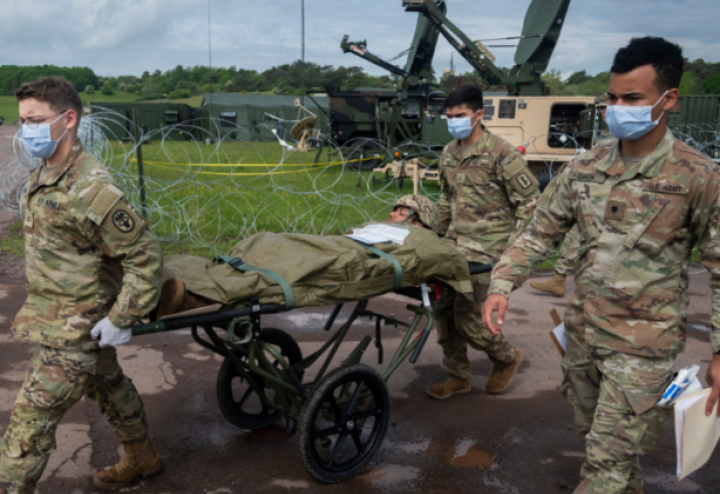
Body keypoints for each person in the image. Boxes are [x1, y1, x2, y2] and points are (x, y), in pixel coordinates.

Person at [482, 36, 720, 494]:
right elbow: (539, 230)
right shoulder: (586, 167)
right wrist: (502, 283)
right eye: (612, 98)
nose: (617, 108)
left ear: (668, 99)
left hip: (642, 353)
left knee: (603, 471)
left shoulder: (697, 177)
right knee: (602, 450)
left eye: (632, 99)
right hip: (583, 340)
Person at [0, 77, 164, 493]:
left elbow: (144, 254)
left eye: (34, 120)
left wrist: (123, 316)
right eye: (22, 121)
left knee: (29, 422)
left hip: (77, 329)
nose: (26, 130)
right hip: (55, 318)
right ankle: (142, 456)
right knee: (108, 386)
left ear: (68, 119)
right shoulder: (49, 168)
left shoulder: (91, 187)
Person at [427, 84, 540, 400]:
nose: (454, 122)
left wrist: (514, 252)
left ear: (478, 115)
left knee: (470, 320)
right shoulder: (449, 153)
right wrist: (437, 238)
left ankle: (506, 357)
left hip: (488, 253)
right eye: (449, 116)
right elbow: (447, 200)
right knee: (444, 314)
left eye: (460, 115)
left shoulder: (502, 153)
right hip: (453, 249)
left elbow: (531, 205)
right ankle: (457, 377)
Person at [158, 194, 442, 317]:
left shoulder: (421, 240)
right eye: (394, 209)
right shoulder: (379, 228)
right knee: (266, 242)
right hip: (333, 245)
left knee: (292, 268)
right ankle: (182, 274)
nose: (392, 214)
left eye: (401, 212)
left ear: (419, 222)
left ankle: (197, 296)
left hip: (347, 259)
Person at [531, 94, 612, 297]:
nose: (603, 113)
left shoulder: (618, 138)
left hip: (605, 196)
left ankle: (563, 278)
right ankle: (560, 278)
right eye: (602, 108)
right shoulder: (607, 134)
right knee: (575, 231)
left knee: (581, 233)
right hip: (594, 191)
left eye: (607, 108)